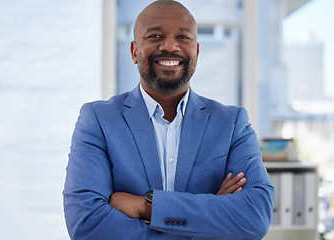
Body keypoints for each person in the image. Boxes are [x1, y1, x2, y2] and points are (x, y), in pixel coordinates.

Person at [63, 0, 275, 239]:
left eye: (183, 37)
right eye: (155, 36)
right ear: (134, 51)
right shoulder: (98, 120)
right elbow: (87, 225)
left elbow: (255, 217)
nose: (170, 46)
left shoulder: (232, 123)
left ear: (196, 51)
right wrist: (207, 220)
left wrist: (147, 206)